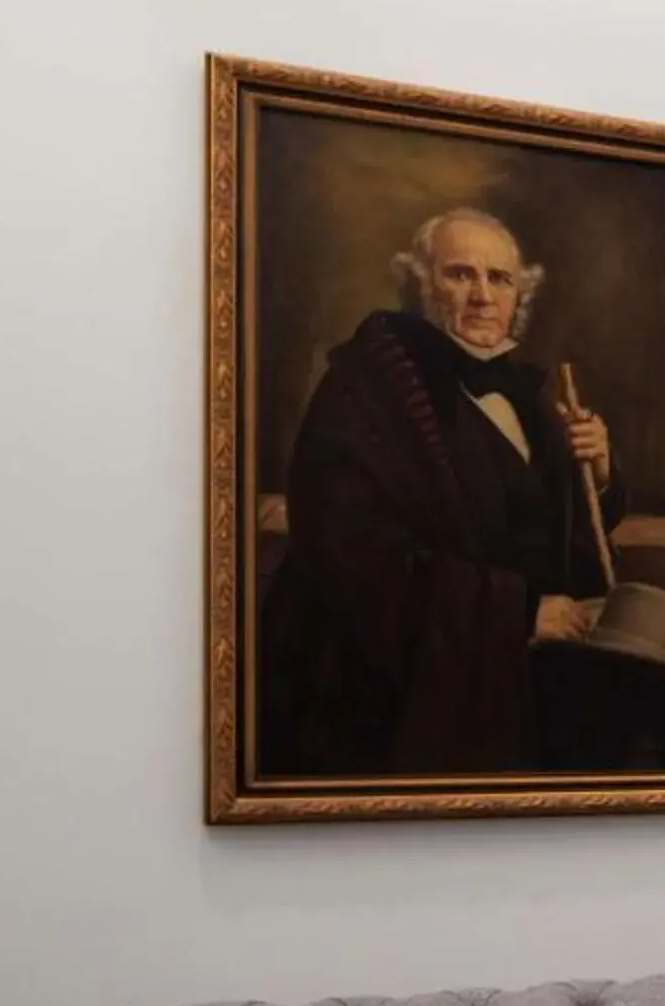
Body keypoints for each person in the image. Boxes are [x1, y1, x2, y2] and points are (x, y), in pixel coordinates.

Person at [256, 207, 623, 776]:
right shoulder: (364, 391)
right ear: (420, 285)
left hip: (518, 681)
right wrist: (521, 613)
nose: (482, 295)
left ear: (518, 296)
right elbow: (354, 563)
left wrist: (595, 473)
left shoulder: (526, 395)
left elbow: (536, 520)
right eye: (460, 274)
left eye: (498, 279)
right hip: (391, 701)